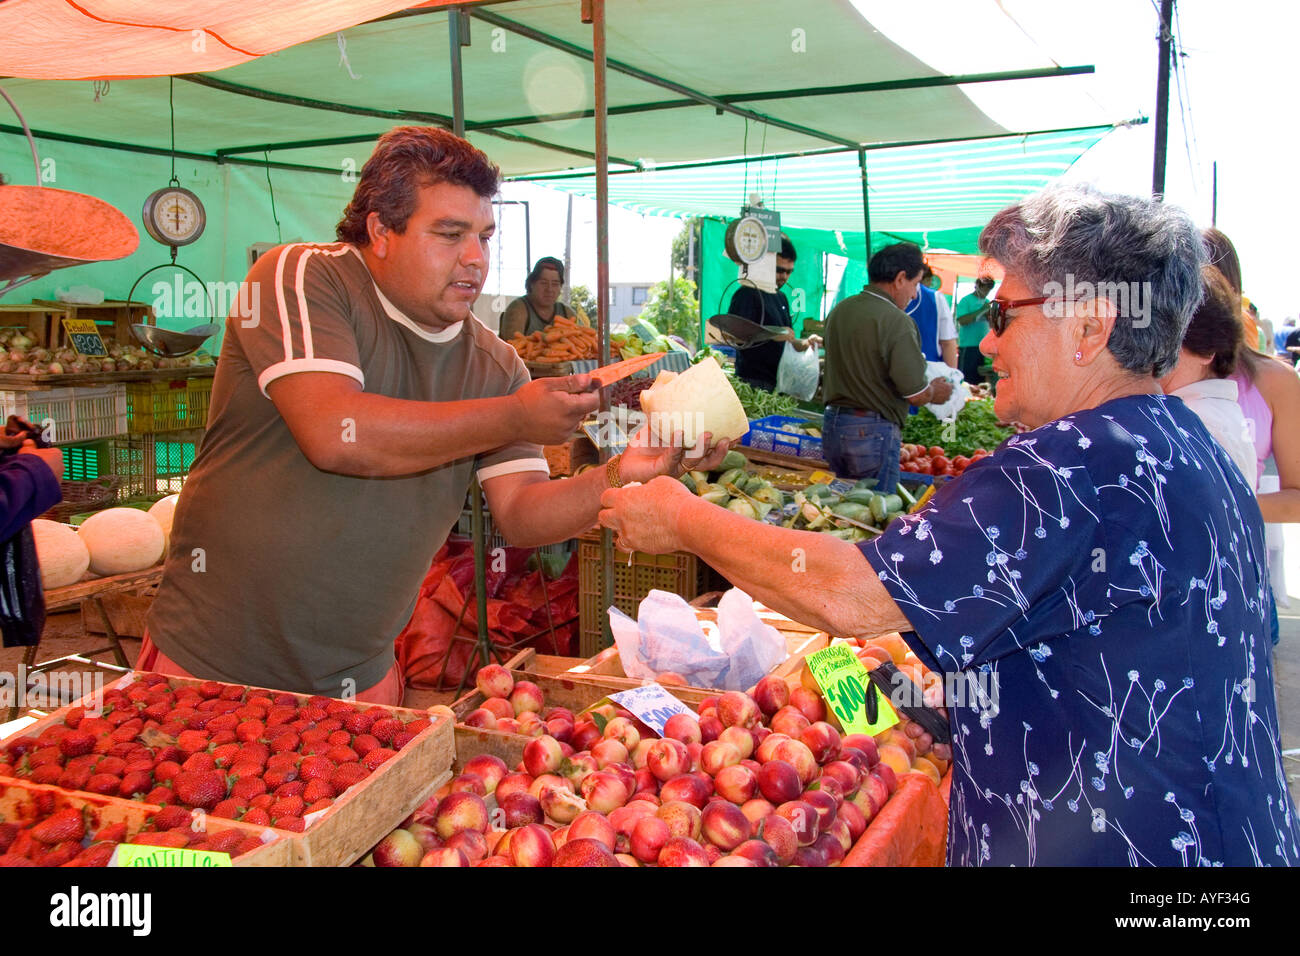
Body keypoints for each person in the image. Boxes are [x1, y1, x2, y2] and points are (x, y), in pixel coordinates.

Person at [600, 184, 1299, 867]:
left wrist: (682, 517)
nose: (986, 345)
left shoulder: (1076, 463)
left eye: (1005, 316)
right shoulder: (1180, 437)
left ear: (1090, 327)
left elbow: (851, 594)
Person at [141, 126, 728, 702]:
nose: (475, 259)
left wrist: (626, 473)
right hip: (206, 664)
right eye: (449, 234)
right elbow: (334, 433)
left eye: (484, 236)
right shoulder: (302, 277)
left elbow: (523, 514)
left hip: (359, 676)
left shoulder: (495, 365)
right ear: (381, 231)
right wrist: (513, 418)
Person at [820, 242, 953, 492]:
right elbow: (915, 393)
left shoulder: (841, 310)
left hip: (833, 424)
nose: (915, 294)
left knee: (839, 506)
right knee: (874, 511)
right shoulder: (898, 321)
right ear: (900, 278)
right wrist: (935, 391)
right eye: (915, 284)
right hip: (871, 432)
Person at [1158, 266, 1256, 485]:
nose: (1153, 349)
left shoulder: (1199, 422)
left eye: (1168, 339)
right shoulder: (1212, 414)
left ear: (1206, 350)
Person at [727, 234, 819, 392]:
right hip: (753, 383)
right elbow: (734, 337)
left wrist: (806, 343)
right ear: (766, 265)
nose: (784, 277)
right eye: (779, 270)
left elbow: (787, 340)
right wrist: (772, 334)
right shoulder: (748, 293)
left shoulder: (781, 297)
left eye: (789, 272)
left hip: (779, 382)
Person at [498, 256, 571, 340]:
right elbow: (511, 347)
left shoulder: (567, 313)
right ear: (532, 284)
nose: (549, 289)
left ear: (560, 287)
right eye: (543, 283)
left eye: (555, 284)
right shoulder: (518, 310)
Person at [904, 265, 958, 367]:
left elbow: (948, 343)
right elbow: (948, 343)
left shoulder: (935, 299)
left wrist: (952, 377)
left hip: (932, 373)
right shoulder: (883, 299)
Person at [955, 276, 995, 384]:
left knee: (981, 381)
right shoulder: (966, 300)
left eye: (989, 289)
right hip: (968, 347)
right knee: (966, 380)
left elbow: (992, 325)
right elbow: (962, 321)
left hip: (983, 348)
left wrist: (990, 316)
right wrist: (981, 310)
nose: (986, 292)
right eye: (985, 288)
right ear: (977, 286)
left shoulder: (987, 302)